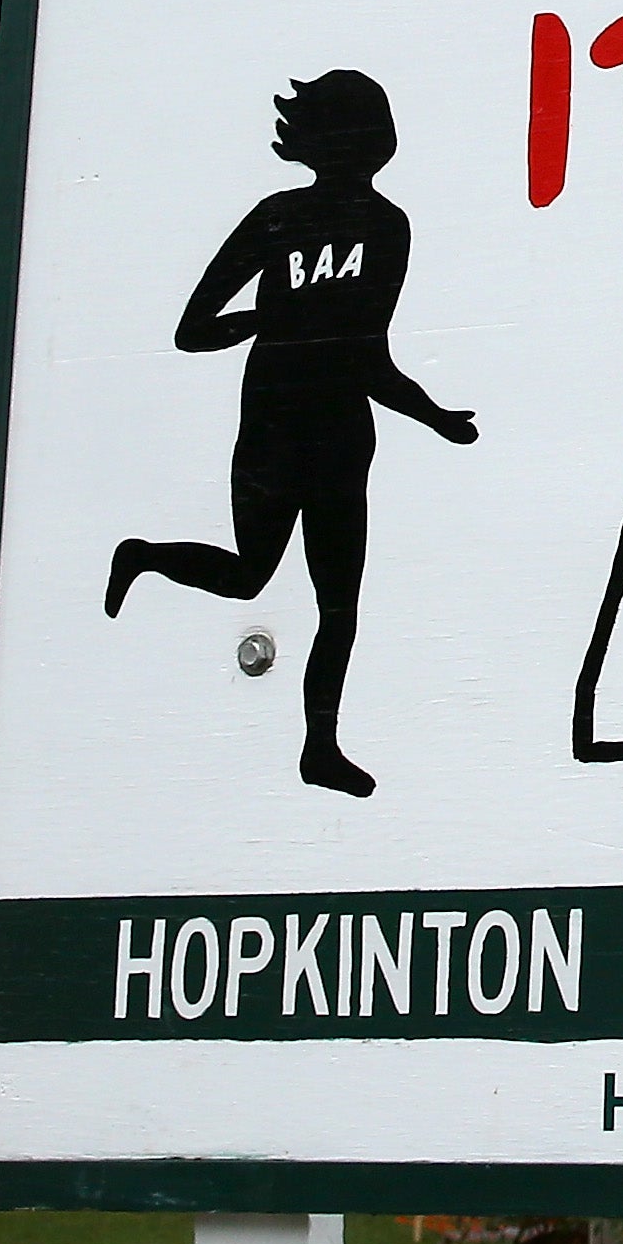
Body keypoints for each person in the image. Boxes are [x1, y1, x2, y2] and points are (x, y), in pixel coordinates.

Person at [109, 71, 478, 797]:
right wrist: (267, 325)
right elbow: (192, 329)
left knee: (337, 604)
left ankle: (321, 746)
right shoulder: (276, 218)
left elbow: (368, 353)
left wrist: (433, 415)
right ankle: (144, 555)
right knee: (251, 573)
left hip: (342, 435)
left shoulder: (386, 225)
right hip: (275, 430)